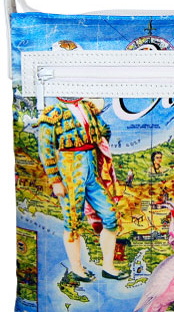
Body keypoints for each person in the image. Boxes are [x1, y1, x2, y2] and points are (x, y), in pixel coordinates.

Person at [38, 97, 128, 282]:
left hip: (92, 169)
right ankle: (77, 269)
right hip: (69, 171)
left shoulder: (87, 107)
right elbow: (45, 148)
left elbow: (104, 130)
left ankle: (108, 267)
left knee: (110, 215)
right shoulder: (53, 112)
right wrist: (55, 180)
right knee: (72, 222)